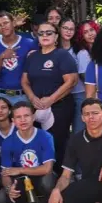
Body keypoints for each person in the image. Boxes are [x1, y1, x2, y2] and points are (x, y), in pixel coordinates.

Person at [21, 22, 78, 171]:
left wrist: (51, 99)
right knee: (38, 143)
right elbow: (24, 81)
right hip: (36, 106)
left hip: (59, 106)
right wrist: (32, 98)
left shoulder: (62, 55)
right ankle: (42, 176)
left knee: (57, 143)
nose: (45, 35)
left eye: (49, 32)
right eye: (41, 33)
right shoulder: (32, 57)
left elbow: (71, 81)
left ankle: (61, 176)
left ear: (56, 36)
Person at [0, 102, 57, 203]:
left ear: (33, 117)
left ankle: (47, 202)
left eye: (26, 116)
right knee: (0, 200)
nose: (23, 120)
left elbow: (47, 169)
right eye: (18, 117)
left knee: (47, 182)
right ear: (13, 121)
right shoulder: (7, 142)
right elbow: (5, 173)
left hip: (41, 176)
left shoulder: (45, 136)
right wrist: (9, 188)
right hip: (22, 179)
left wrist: (20, 170)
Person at [0, 11, 38, 105]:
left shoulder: (29, 43)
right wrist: (2, 57)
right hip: (0, 95)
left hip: (24, 95)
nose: (3, 26)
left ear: (13, 23)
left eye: (5, 23)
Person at [73, 20, 98, 133]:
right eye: (85, 32)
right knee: (83, 127)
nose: (90, 34)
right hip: (88, 94)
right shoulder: (83, 53)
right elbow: (84, 77)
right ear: (82, 36)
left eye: (91, 30)